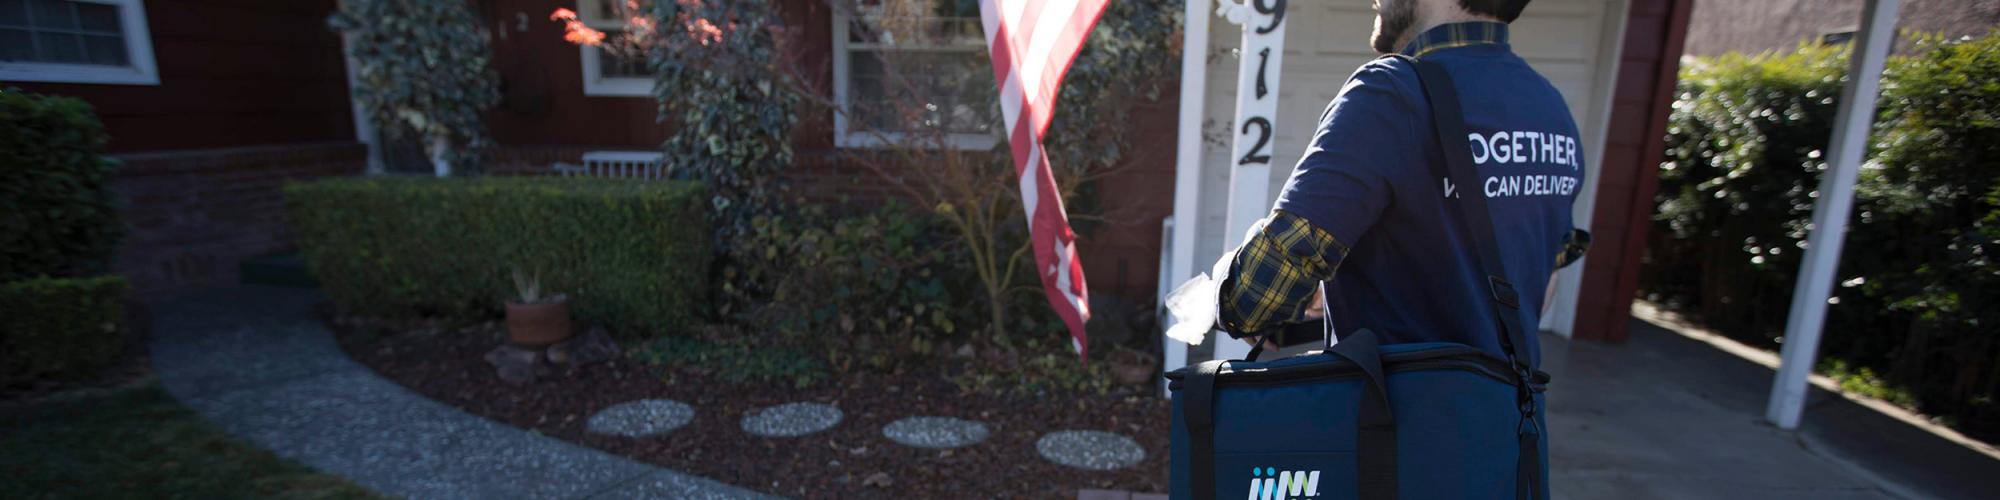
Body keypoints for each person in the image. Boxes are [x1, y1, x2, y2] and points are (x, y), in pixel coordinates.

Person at [1212, 0, 1591, 362]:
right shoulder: (1550, 106)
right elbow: (1542, 283)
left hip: (1396, 419)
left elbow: (1254, 299)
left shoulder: (1391, 93)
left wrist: (1221, 282)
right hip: (1508, 419)